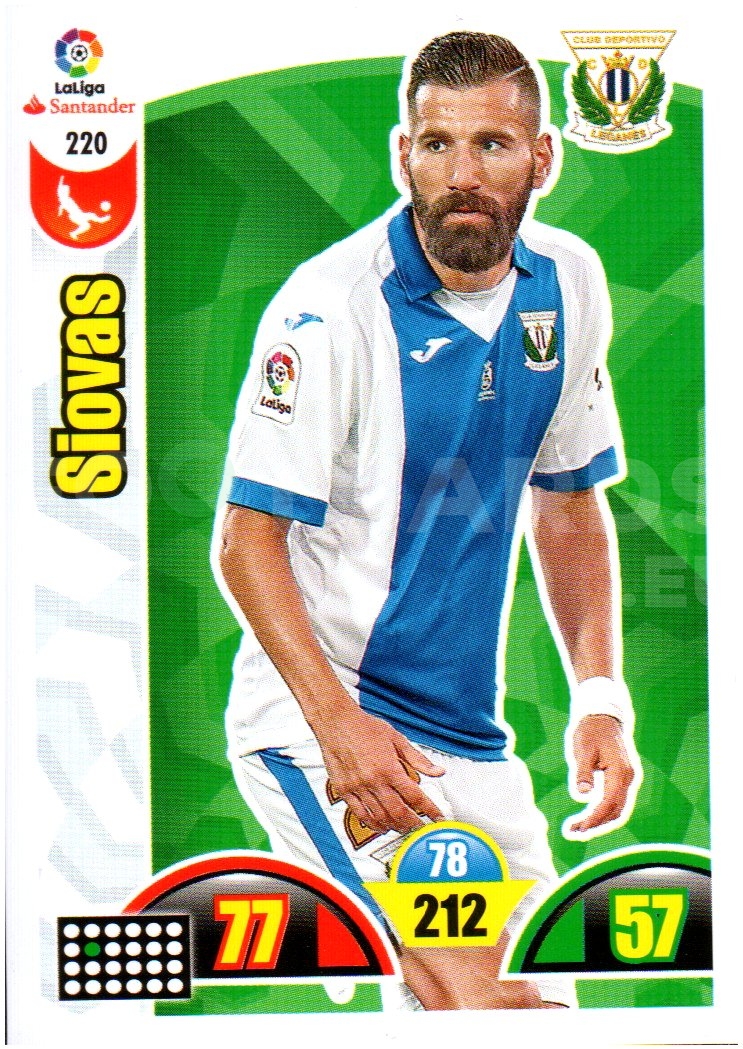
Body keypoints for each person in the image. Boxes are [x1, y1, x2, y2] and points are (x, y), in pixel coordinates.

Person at [215, 30, 639, 1011]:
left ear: (542, 158)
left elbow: (569, 499)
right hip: (330, 718)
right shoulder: (330, 308)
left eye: (491, 144)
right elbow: (245, 540)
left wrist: (598, 695)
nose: (461, 174)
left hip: (469, 738)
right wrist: (337, 727)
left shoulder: (568, 280)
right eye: (437, 144)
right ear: (402, 153)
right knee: (481, 996)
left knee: (537, 1005)